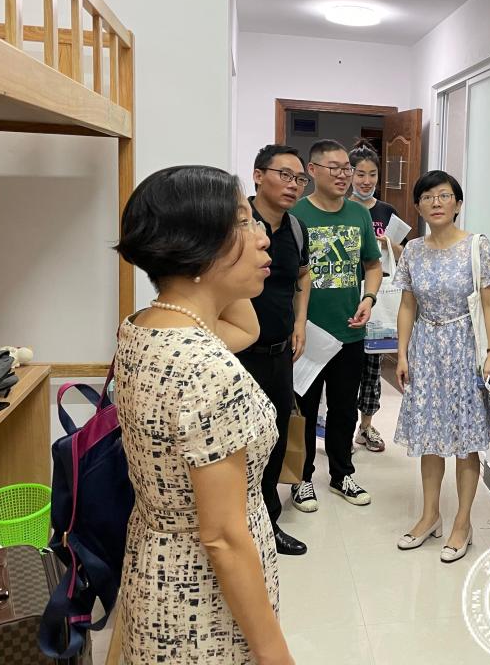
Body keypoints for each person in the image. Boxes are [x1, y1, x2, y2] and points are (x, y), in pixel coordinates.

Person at [113, 165, 293, 664]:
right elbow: (223, 538)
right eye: (243, 221)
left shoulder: (145, 327)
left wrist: (226, 284)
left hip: (155, 567)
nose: (262, 236)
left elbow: (247, 331)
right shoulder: (208, 369)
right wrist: (274, 652)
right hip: (205, 599)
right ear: (199, 245)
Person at [392, 170, 490, 564]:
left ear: (457, 204)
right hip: (426, 347)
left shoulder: (477, 245)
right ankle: (430, 516)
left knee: (465, 439)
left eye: (444, 195)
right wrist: (402, 353)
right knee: (429, 436)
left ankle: (462, 522)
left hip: (465, 348)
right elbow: (407, 305)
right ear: (418, 206)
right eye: (428, 197)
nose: (436, 203)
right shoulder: (412, 251)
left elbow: (489, 303)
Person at [290, 139, 382, 510]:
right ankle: (301, 478)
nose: (344, 175)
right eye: (336, 168)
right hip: (307, 335)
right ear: (312, 170)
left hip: (349, 332)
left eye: (347, 168)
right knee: (304, 409)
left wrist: (368, 298)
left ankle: (342, 474)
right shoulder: (295, 214)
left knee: (344, 408)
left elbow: (372, 265)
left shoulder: (359, 214)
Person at [236, 144, 311, 557]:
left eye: (299, 178)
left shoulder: (296, 229)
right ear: (258, 175)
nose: (293, 185)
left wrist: (300, 322)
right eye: (285, 175)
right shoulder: (236, 225)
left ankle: (268, 522)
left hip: (281, 355)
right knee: (238, 443)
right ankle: (236, 528)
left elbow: (303, 276)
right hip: (238, 355)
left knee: (275, 437)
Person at [348, 139, 404, 453]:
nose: (366, 181)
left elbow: (401, 255)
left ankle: (366, 427)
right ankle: (339, 427)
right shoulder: (341, 208)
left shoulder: (386, 211)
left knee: (372, 368)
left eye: (372, 174)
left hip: (377, 298)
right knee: (344, 367)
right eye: (360, 174)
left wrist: (386, 244)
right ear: (349, 175)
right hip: (346, 296)